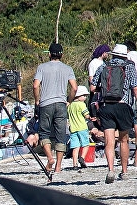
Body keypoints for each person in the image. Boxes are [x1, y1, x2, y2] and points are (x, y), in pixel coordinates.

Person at [90, 44, 137, 183]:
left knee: (109, 140)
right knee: (123, 140)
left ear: (113, 54)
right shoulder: (129, 66)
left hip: (106, 106)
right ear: (125, 55)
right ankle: (124, 171)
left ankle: (111, 170)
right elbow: (136, 88)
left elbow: (92, 87)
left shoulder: (103, 66)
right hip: (123, 106)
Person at [32, 41, 78, 174]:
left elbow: (35, 85)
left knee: (44, 132)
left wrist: (37, 101)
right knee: (60, 135)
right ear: (61, 54)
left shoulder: (42, 67)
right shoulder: (68, 68)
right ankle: (58, 166)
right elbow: (74, 87)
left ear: (49, 54)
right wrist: (68, 101)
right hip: (61, 103)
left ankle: (50, 158)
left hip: (46, 103)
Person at [67, 86, 93, 170]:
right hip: (82, 127)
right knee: (85, 144)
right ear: (79, 96)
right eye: (84, 95)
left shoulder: (70, 105)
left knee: (75, 147)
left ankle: (74, 164)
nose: (85, 97)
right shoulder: (82, 104)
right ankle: (82, 158)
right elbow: (86, 115)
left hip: (73, 129)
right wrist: (90, 117)